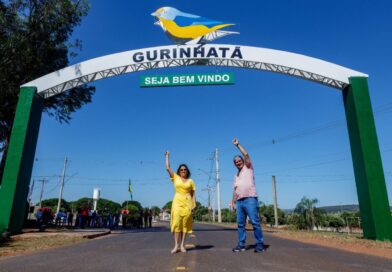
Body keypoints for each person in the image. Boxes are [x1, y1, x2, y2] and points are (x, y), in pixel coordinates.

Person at [231, 138, 265, 253]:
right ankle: (241, 245)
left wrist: (237, 145)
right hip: (239, 202)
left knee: (255, 222)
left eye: (239, 160)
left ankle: (260, 245)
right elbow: (235, 190)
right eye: (236, 162)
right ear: (234, 164)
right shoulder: (236, 176)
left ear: (243, 161)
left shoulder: (248, 167)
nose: (238, 162)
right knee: (240, 225)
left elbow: (246, 154)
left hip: (250, 199)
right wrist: (233, 203)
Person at [165, 151, 196, 253]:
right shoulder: (175, 177)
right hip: (177, 202)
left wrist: (194, 204)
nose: (183, 171)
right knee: (176, 223)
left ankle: (182, 245)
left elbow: (193, 194)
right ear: (179, 171)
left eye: (185, 169)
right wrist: (167, 156)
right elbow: (167, 168)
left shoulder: (191, 181)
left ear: (187, 171)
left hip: (187, 204)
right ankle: (176, 245)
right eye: (181, 169)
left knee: (185, 225)